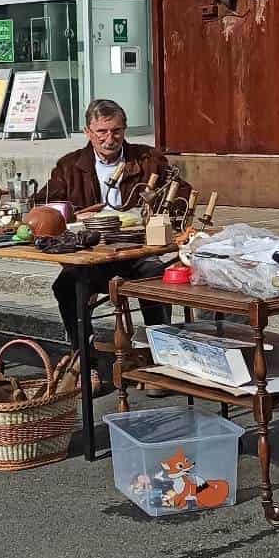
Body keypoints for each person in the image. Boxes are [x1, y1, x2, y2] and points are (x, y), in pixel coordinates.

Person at [40, 100, 172, 388]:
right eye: (102, 132)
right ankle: (85, 365)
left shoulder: (148, 160)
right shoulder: (69, 166)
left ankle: (159, 360)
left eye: (116, 131)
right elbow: (45, 206)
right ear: (88, 131)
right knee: (66, 286)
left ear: (124, 130)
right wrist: (72, 215)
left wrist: (158, 210)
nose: (109, 139)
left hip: (136, 250)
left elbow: (178, 192)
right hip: (94, 255)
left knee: (155, 278)